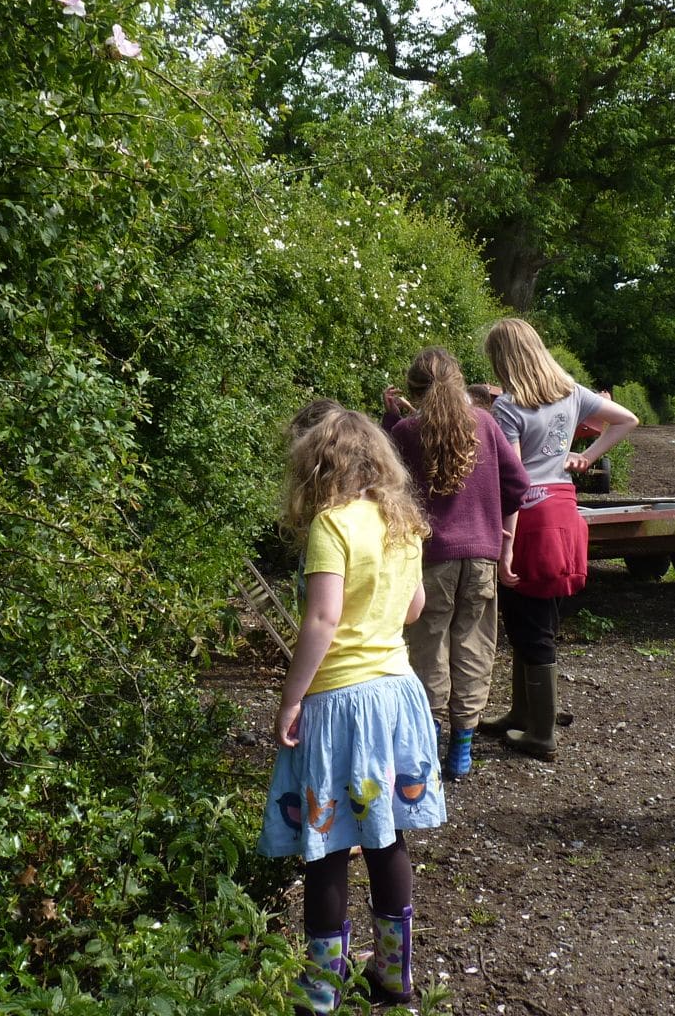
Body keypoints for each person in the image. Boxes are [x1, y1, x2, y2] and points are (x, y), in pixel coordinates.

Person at [257, 409, 444, 1013]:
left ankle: (320, 993)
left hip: (340, 702)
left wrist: (291, 698)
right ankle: (394, 977)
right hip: (397, 692)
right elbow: (414, 608)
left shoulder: (330, 524)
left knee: (329, 845)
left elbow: (322, 619)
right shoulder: (404, 522)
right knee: (387, 838)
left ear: (318, 464)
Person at [478, 318, 638, 761]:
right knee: (532, 617)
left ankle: (541, 733)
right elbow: (627, 419)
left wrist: (506, 546)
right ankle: (520, 714)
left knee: (530, 622)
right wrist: (585, 457)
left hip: (529, 518)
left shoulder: (509, 407)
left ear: (504, 358)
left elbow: (512, 483)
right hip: (564, 511)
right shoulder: (571, 392)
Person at [381, 348, 529, 781]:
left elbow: (390, 480)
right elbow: (518, 484)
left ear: (414, 391)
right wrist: (495, 528)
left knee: (429, 649)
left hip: (431, 560)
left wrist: (392, 421)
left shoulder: (409, 430)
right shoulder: (484, 423)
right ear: (459, 381)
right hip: (481, 556)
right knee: (474, 647)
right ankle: (461, 749)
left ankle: (427, 741)